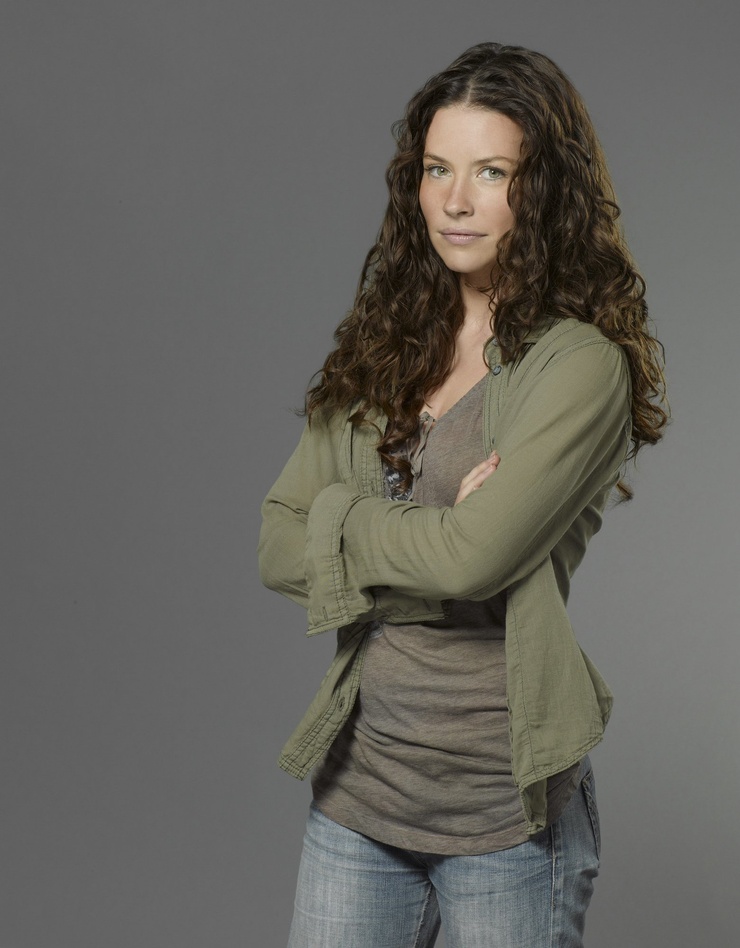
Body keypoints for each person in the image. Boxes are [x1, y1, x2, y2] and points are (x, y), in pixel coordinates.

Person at [258, 42, 667, 948]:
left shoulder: (578, 366)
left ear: (543, 190)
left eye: (491, 172)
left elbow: (475, 562)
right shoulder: (386, 340)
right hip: (359, 793)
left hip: (504, 813)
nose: (455, 200)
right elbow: (278, 542)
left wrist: (351, 533)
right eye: (437, 169)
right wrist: (432, 532)